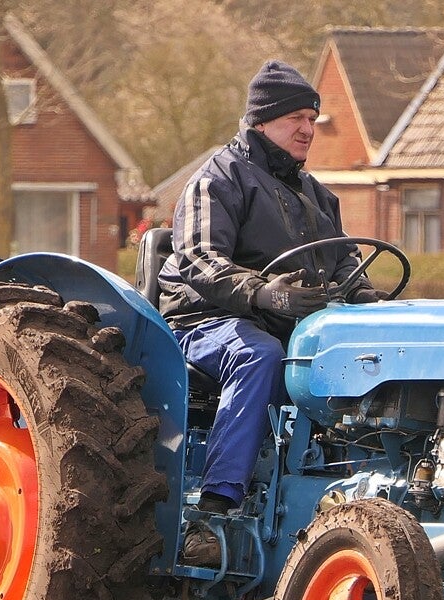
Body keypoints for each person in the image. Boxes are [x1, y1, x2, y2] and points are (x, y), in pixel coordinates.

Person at [158, 59, 380, 566]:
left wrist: (367, 298)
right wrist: (262, 294)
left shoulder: (317, 195)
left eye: (312, 119)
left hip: (291, 326)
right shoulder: (218, 179)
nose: (308, 129)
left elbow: (346, 261)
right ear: (261, 122)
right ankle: (215, 510)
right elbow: (198, 258)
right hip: (205, 322)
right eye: (295, 118)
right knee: (259, 355)